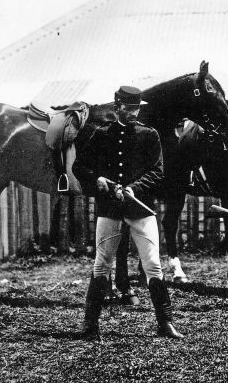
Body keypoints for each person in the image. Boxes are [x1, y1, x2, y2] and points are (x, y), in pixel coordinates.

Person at [72, 85, 184, 340]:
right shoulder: (101, 135)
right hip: (109, 209)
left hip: (140, 208)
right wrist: (98, 178)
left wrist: (135, 188)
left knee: (153, 264)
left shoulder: (149, 134)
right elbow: (80, 166)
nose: (133, 112)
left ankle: (165, 323)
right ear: (117, 107)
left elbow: (157, 172)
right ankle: (90, 326)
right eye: (129, 108)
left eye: (136, 108)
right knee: (102, 264)